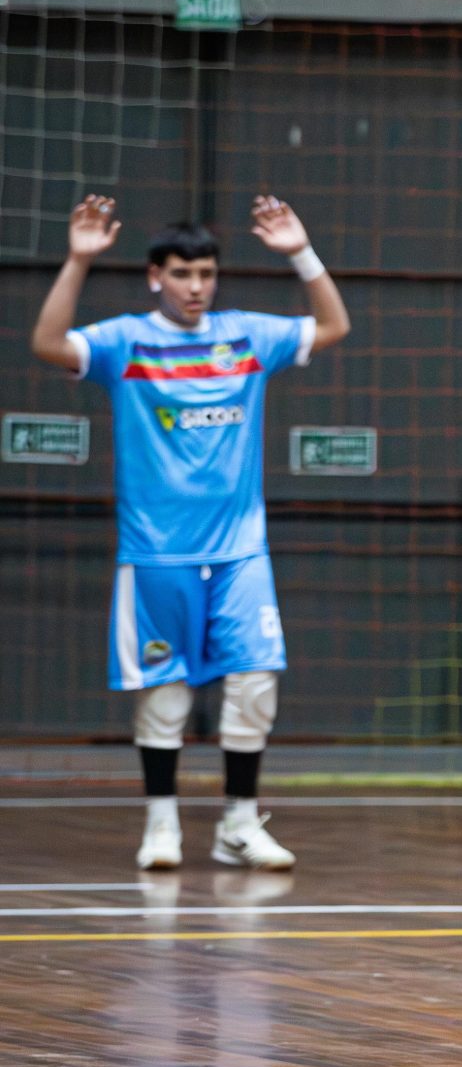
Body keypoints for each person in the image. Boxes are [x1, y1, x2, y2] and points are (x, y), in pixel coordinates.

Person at [30, 194, 352, 872]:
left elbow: (333, 325)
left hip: (240, 550)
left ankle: (239, 825)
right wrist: (79, 260)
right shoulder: (126, 342)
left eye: (206, 273)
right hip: (157, 552)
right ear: (156, 277)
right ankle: (161, 826)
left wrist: (300, 251)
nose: (196, 286)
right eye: (182, 273)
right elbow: (49, 343)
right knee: (165, 692)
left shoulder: (247, 337)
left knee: (255, 683)